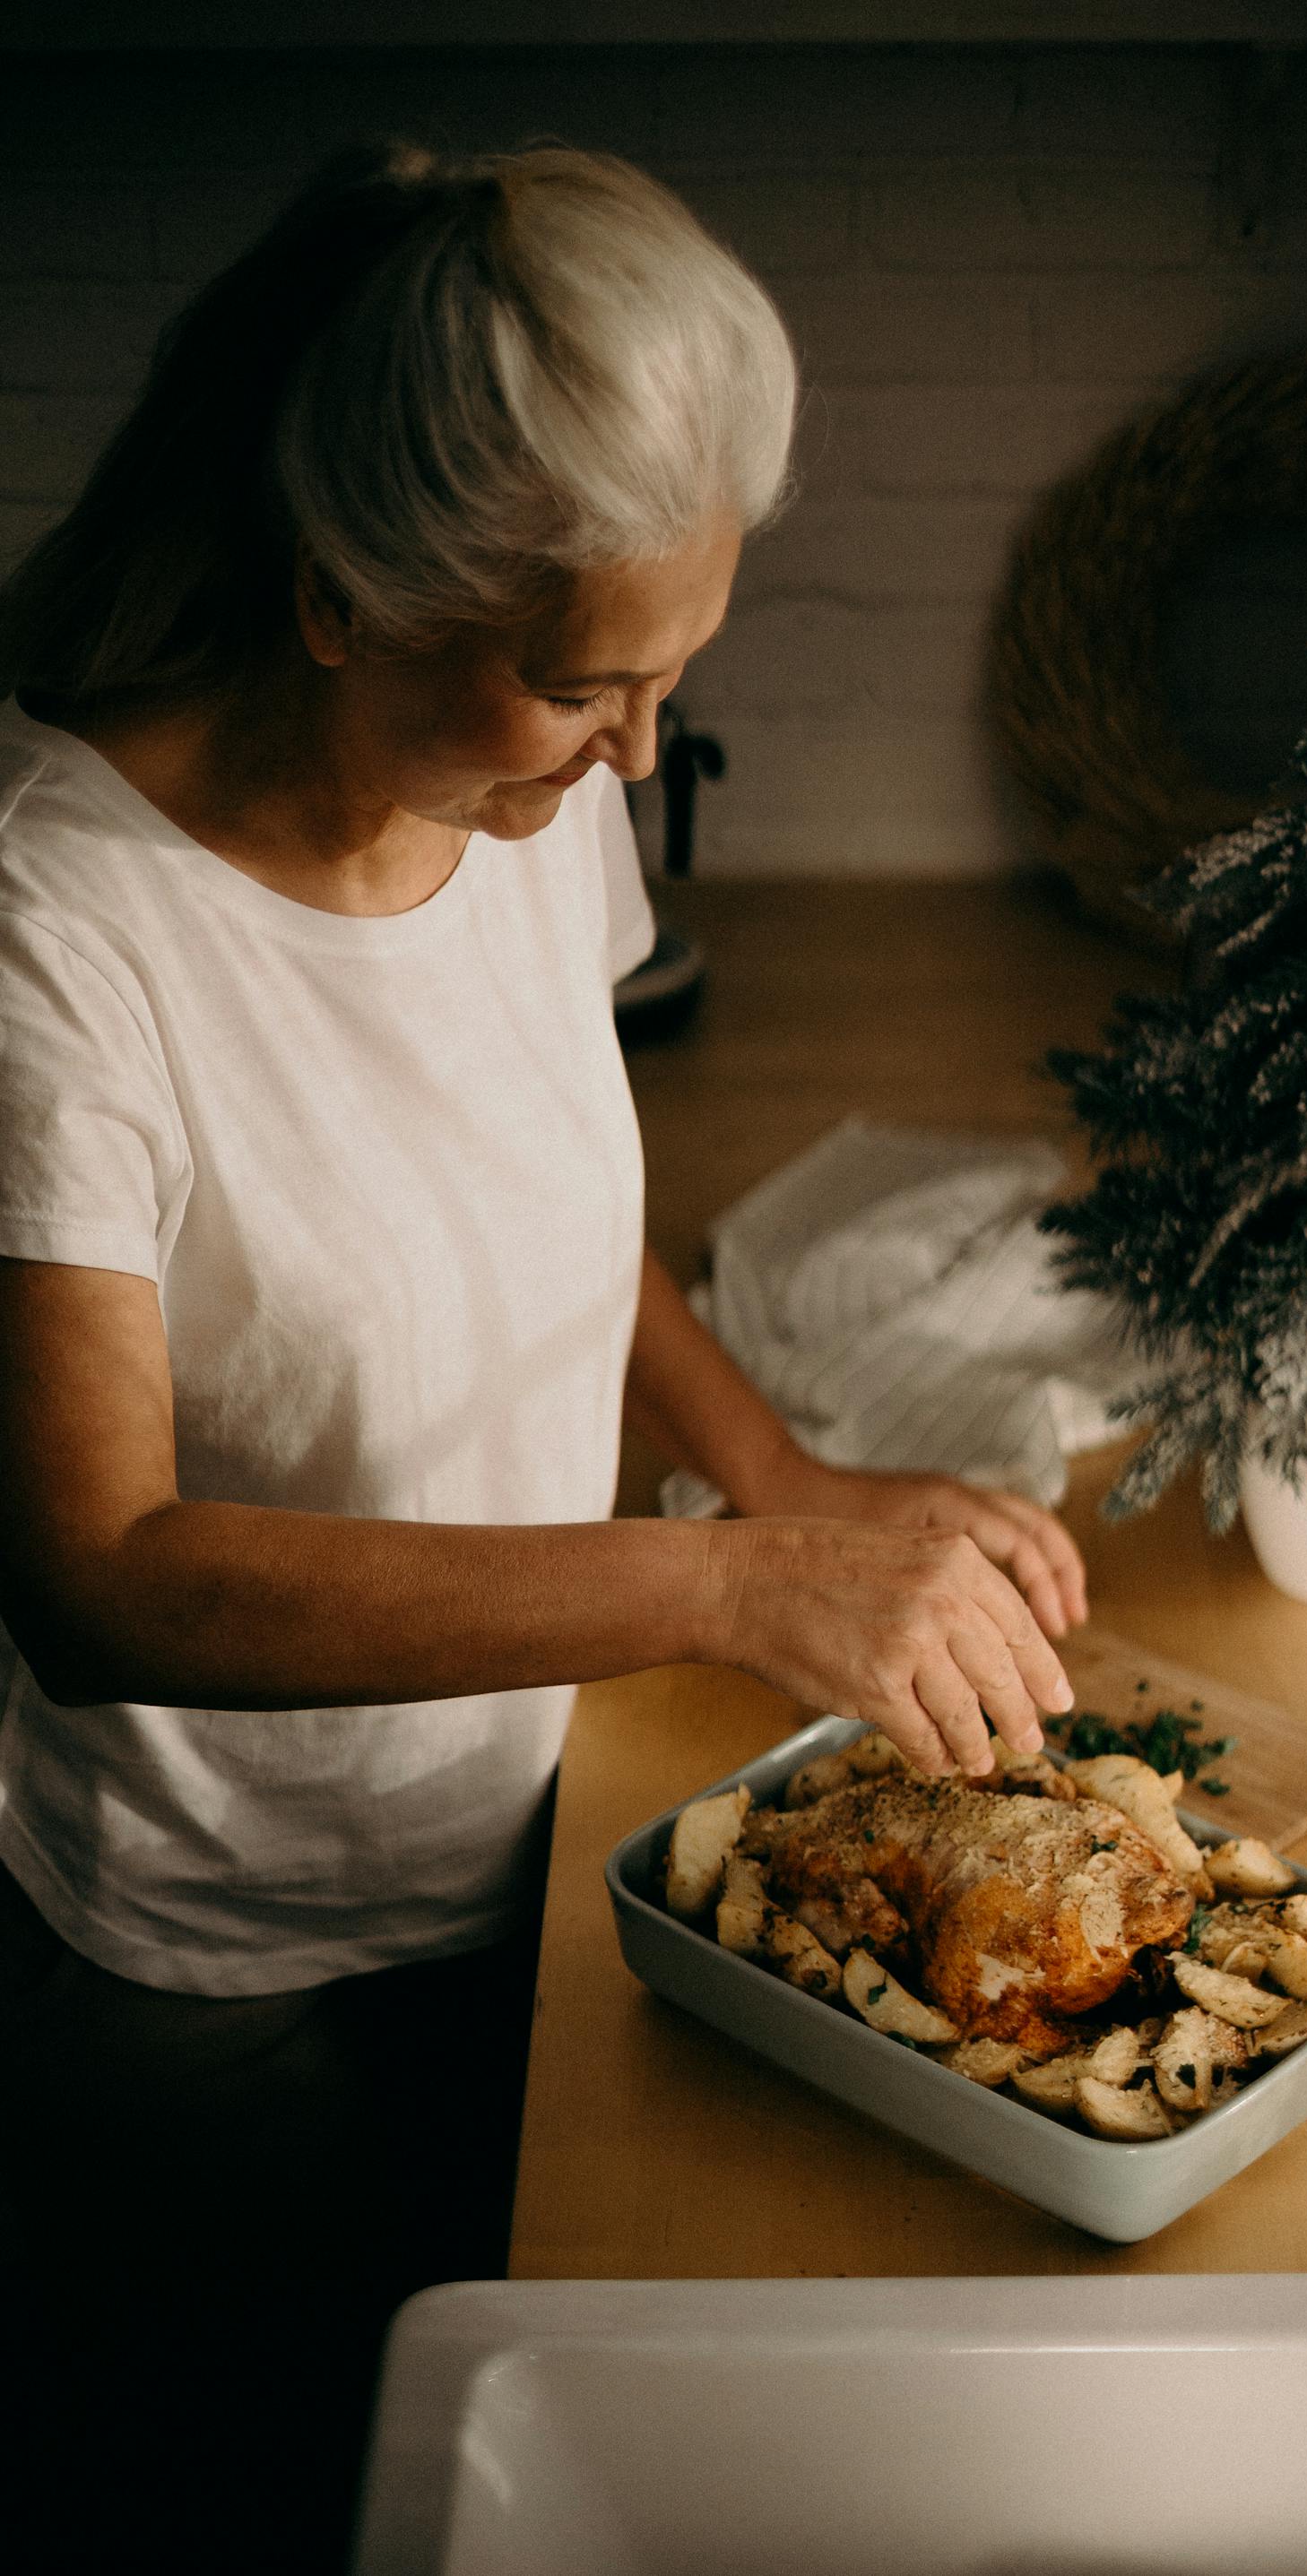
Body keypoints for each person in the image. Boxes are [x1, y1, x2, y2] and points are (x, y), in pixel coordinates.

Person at [0, 143, 1087, 2572]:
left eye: (669, 673)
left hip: (562, 1844)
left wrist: (786, 1483)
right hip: (221, 1988)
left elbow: (551, 1221)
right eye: (585, 679)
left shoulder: (519, 793)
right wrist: (718, 1589)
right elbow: (98, 1571)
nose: (630, 752)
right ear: (334, 598)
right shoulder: (56, 932)